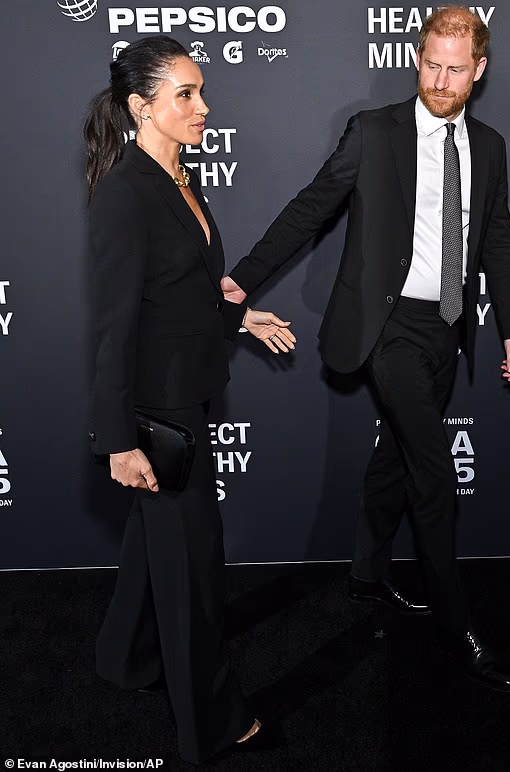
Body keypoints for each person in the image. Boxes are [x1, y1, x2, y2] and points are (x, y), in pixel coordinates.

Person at [221, 6, 510, 693]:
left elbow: (498, 235)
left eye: (455, 69)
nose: (440, 81)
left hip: (445, 330)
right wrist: (241, 278)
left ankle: (366, 573)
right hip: (383, 328)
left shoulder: (492, 146)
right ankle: (457, 625)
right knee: (431, 472)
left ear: (478, 70)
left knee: (394, 458)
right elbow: (310, 208)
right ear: (416, 57)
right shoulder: (374, 132)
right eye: (430, 64)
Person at [84, 36, 294, 764]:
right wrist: (117, 439)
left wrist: (241, 316)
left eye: (201, 91)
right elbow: (115, 325)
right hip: (158, 414)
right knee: (193, 574)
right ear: (142, 108)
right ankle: (212, 723)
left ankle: (124, 658)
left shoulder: (181, 176)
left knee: (157, 550)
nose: (203, 107)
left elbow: (181, 292)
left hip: (192, 395)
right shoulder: (125, 192)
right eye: (185, 95)